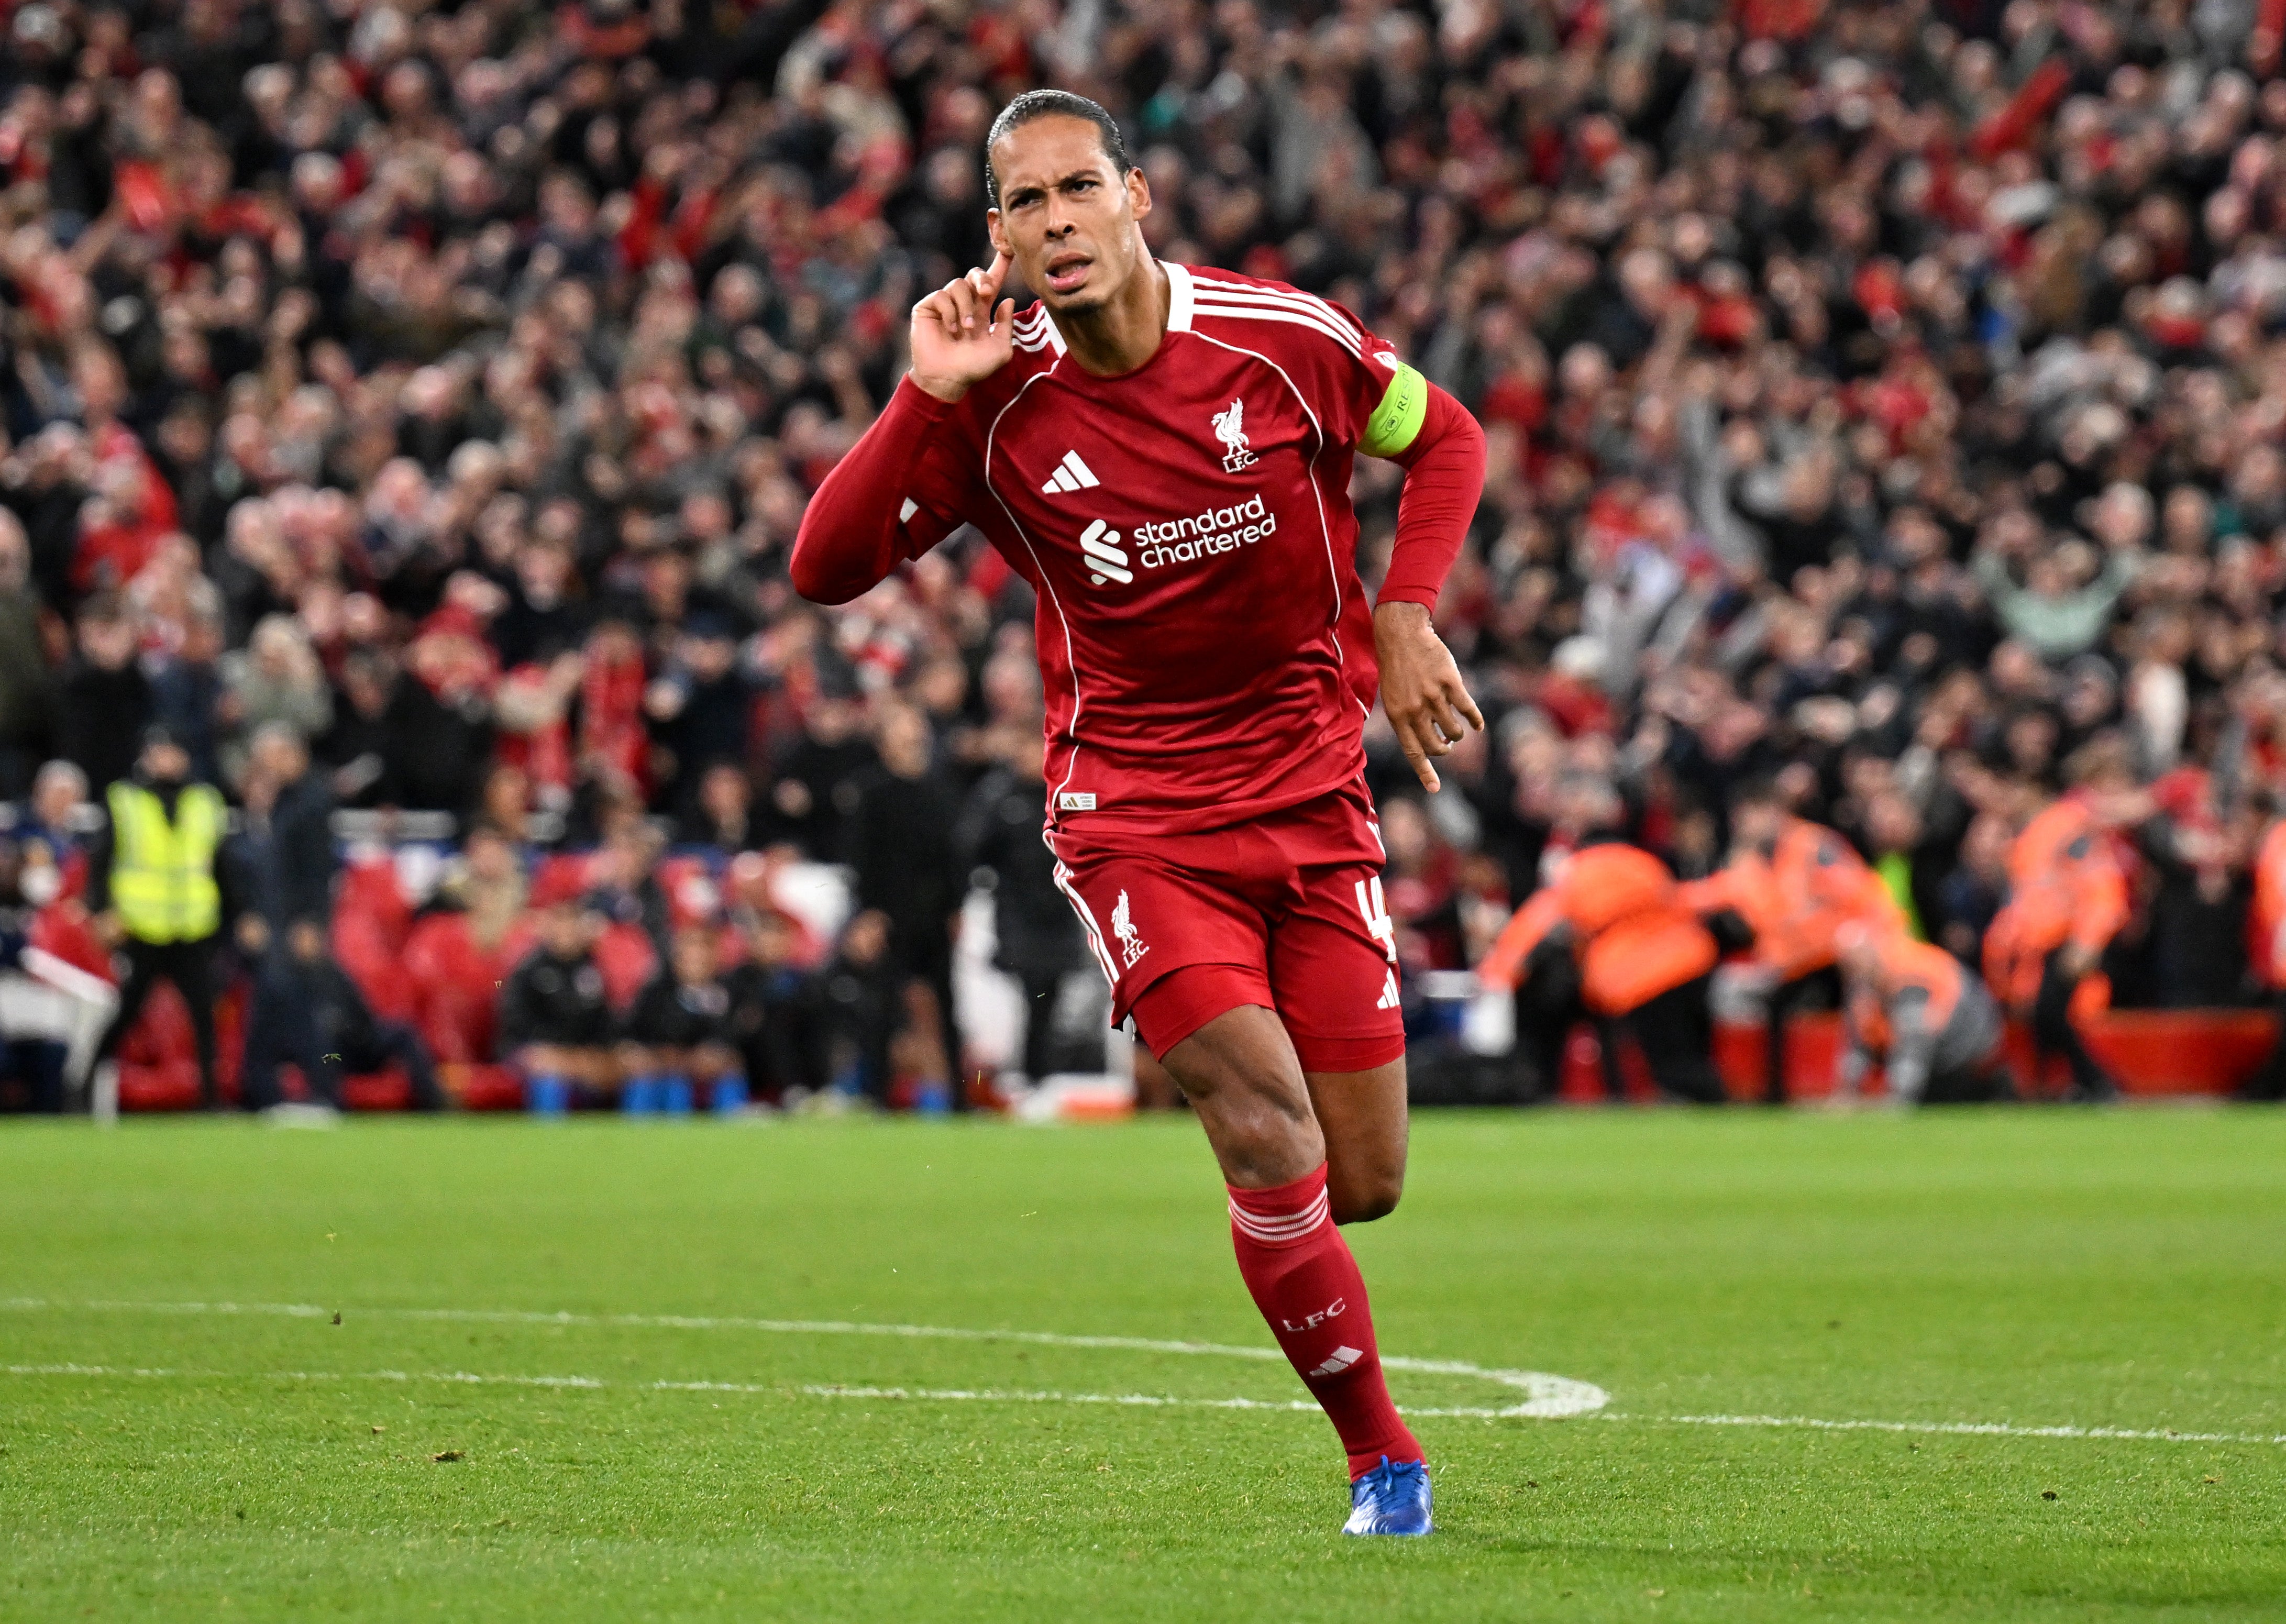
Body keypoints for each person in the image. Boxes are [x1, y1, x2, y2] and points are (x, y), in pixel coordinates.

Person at [790, 90, 1486, 1535]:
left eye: (1077, 188)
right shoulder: (989, 396)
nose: (1055, 222)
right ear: (995, 232)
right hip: (1134, 817)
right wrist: (920, 394)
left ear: (1135, 197)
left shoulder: (1280, 338)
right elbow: (823, 564)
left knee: (1361, 1181)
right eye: (1023, 202)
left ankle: (1291, 1244)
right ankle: (1383, 1458)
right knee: (1262, 1123)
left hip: (1310, 798)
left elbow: (1449, 436)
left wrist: (1404, 611)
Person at [1476, 779, 1726, 1105]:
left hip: (1642, 978)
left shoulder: (1579, 872)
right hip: (1694, 961)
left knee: (1674, 1069)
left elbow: (1539, 925)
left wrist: (1498, 972)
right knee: (1687, 1060)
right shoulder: (1642, 863)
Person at [1685, 779, 1903, 1104]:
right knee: (1768, 1007)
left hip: (1841, 954)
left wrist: (1882, 942)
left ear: (1774, 812)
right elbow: (1710, 894)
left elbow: (1862, 892)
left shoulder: (1814, 847)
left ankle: (1867, 1087)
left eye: (1752, 815)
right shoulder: (1750, 864)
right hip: (1795, 964)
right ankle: (1775, 1096)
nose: (1746, 825)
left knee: (1863, 1007)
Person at [86, 726, 228, 1109]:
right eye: (160, 751)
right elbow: (101, 861)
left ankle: (212, 1099)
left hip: (191, 927)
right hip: (142, 927)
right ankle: (82, 1087)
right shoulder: (125, 798)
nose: (167, 760)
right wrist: (102, 912)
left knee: (204, 1015)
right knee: (125, 1013)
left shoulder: (204, 800)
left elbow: (220, 864)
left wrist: (235, 915)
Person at [1983, 772, 2131, 1101]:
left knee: (2049, 1014)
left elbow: (2101, 884)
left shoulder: (2067, 826)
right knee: (2042, 1017)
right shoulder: (2029, 837)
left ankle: (2100, 1084)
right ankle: (2058, 1088)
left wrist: (2088, 942)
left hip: (2071, 941)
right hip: (2042, 947)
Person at [243, 919, 447, 1112]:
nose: (308, 943)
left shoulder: (336, 976)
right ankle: (332, 1105)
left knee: (401, 1033)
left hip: (357, 1045)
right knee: (322, 1046)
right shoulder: (286, 983)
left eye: (312, 937)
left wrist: (350, 1028)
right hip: (331, 1056)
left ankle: (433, 1102)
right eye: (302, 938)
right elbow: (289, 1035)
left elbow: (364, 1015)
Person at [1834, 922, 2013, 1106]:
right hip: (1945, 1038)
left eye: (1855, 963)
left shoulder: (1907, 973)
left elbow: (1915, 1041)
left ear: (1871, 954)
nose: (1852, 971)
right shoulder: (1865, 982)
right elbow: (1861, 1038)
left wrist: (1898, 1099)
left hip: (1967, 1041)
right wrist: (1846, 1092)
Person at [497, 885, 619, 1113]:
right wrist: (561, 1057)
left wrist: (597, 1055)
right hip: (531, 1054)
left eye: (573, 920)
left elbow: (605, 1022)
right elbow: (516, 1027)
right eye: (560, 920)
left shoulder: (593, 969)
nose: (567, 928)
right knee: (549, 1081)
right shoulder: (527, 971)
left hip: (581, 1057)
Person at [617, 925, 748, 1115]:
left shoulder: (731, 993)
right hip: (659, 1073)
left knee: (730, 1078)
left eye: (704, 947)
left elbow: (735, 1040)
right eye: (690, 946)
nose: (697, 955)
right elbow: (630, 1037)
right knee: (662, 1086)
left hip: (711, 1073)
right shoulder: (655, 993)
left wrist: (721, 1054)